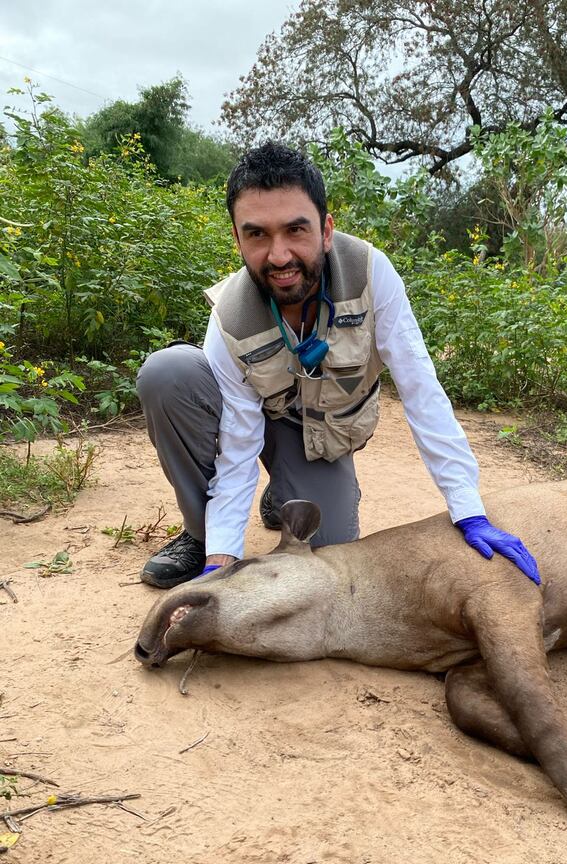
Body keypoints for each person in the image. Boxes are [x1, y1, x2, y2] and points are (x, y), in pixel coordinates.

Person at [136, 142, 540, 589]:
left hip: (322, 435)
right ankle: (199, 534)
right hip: (256, 419)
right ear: (236, 239)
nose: (279, 256)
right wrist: (221, 560)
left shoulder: (371, 274)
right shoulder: (228, 318)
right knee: (168, 373)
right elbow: (236, 445)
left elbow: (421, 389)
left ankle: (284, 489)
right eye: (257, 235)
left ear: (326, 230)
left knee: (330, 554)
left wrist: (468, 509)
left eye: (296, 230)